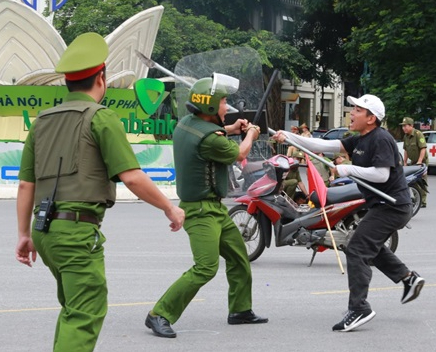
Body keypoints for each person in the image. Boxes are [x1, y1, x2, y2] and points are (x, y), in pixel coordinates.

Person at [14, 33, 186, 351]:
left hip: (44, 231)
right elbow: (132, 177)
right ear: (102, 79)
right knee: (84, 312)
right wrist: (170, 208)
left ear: (68, 82)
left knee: (73, 309)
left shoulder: (41, 123)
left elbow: (27, 184)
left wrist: (24, 234)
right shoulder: (101, 117)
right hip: (76, 230)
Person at [272, 94, 424, 332]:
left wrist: (348, 169)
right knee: (365, 245)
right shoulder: (359, 139)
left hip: (393, 206)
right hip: (381, 205)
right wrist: (287, 135)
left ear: (371, 118)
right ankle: (408, 278)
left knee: (356, 249)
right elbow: (321, 145)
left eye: (357, 110)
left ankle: (360, 308)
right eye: (352, 109)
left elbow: (382, 175)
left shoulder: (381, 139)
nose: (351, 113)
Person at [145, 73, 268, 339]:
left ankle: (240, 310)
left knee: (238, 257)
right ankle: (159, 314)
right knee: (205, 267)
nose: (228, 107)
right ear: (210, 106)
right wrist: (252, 134)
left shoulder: (186, 123)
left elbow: (212, 132)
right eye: (224, 102)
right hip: (200, 211)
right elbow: (240, 153)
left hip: (214, 209)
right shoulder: (211, 139)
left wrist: (233, 129)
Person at [400, 116, 429, 208]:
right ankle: (417, 198)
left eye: (405, 126)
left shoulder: (418, 134)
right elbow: (406, 150)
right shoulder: (406, 136)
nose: (404, 128)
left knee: (422, 180)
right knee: (412, 181)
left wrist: (420, 161)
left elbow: (423, 149)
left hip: (422, 161)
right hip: (413, 161)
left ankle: (423, 201)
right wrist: (404, 162)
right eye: (403, 126)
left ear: (411, 126)